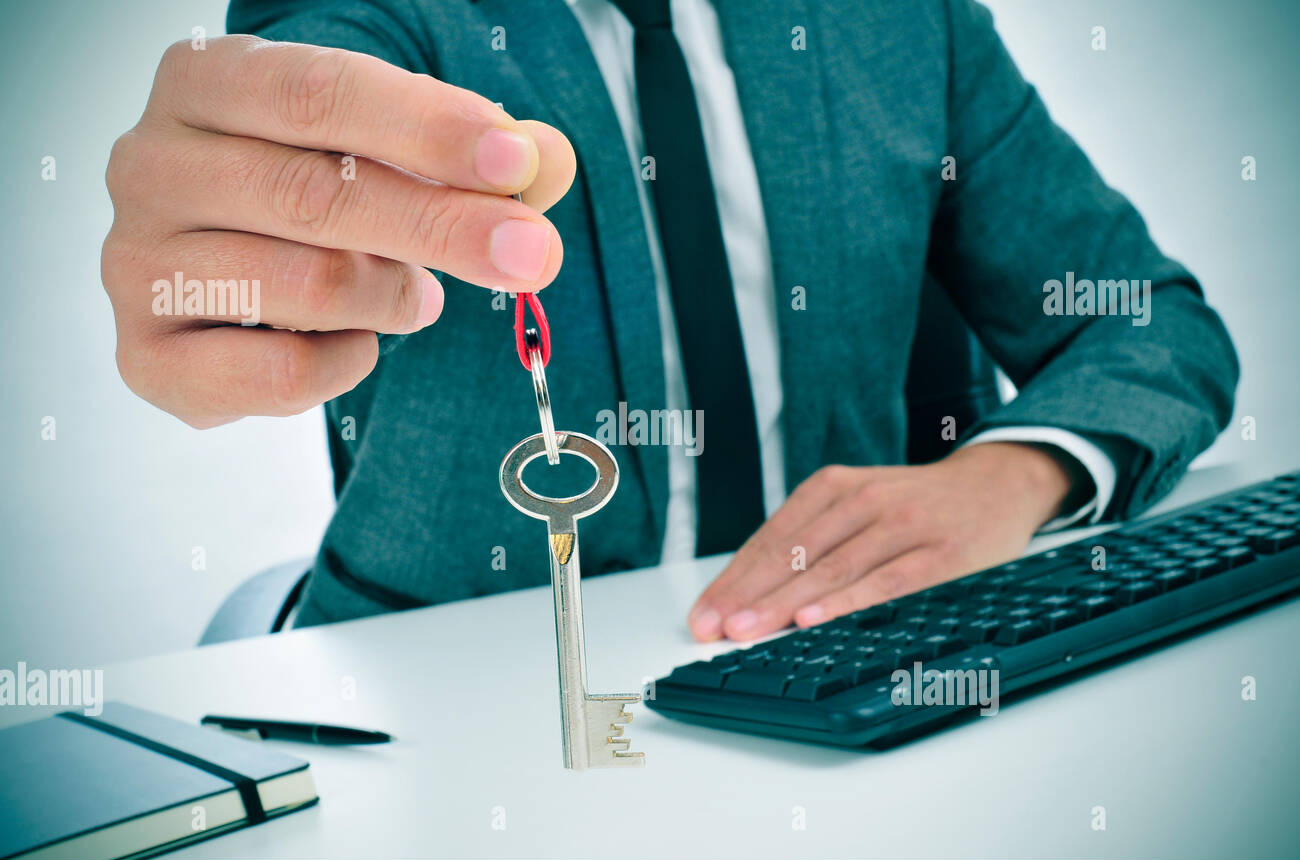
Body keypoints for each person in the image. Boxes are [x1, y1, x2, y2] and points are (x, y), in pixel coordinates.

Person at [100, 0, 1238, 641]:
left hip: (861, 674)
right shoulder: (380, 19)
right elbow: (296, 103)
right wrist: (227, 267)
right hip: (450, 708)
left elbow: (1150, 324)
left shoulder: (899, 22)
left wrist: (1007, 476)